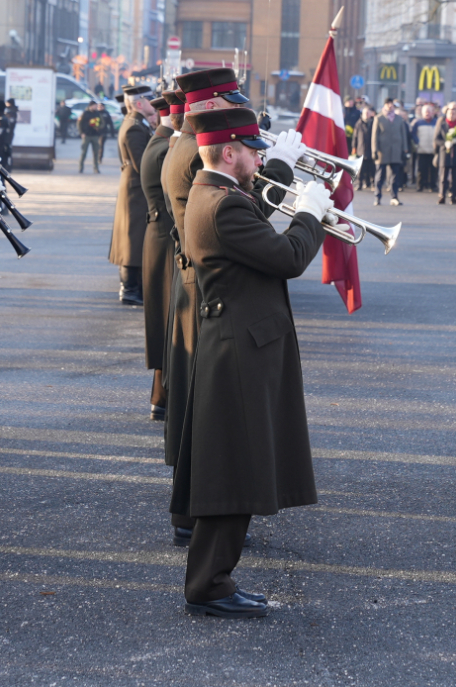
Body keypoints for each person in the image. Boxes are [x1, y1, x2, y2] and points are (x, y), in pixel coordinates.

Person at [171, 106, 328, 618]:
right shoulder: (222, 205)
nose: (259, 159)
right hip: (238, 349)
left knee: (234, 467)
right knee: (232, 471)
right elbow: (288, 258)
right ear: (228, 152)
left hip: (238, 343)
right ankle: (208, 585)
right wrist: (311, 215)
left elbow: (257, 230)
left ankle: (212, 580)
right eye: (253, 152)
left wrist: (290, 189)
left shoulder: (217, 194)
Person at [160, 69, 301, 550]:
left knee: (206, 422)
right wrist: (281, 172)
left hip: (206, 285)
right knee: (212, 426)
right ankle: (200, 524)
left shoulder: (191, 150)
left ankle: (196, 518)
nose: (236, 107)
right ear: (210, 107)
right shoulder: (194, 156)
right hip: (212, 291)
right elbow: (246, 217)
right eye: (228, 101)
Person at [139, 90, 181, 420]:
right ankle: (164, 397)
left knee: (165, 322)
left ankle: (161, 398)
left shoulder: (159, 141)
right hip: (166, 241)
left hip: (159, 237)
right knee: (169, 323)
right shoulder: (167, 148)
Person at [110, 85, 157, 306]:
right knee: (132, 241)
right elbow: (142, 165)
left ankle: (133, 288)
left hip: (135, 190)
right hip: (135, 191)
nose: (153, 103)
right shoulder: (134, 127)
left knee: (134, 239)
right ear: (139, 103)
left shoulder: (137, 123)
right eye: (150, 100)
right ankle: (129, 289)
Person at [371, 97, 409, 206]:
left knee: (395, 176)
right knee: (380, 176)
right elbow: (374, 136)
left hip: (396, 151)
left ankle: (394, 197)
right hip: (382, 151)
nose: (390, 105)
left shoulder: (399, 119)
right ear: (385, 105)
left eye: (391, 103)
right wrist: (374, 150)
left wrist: (405, 148)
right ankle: (377, 197)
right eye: (388, 103)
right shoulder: (379, 118)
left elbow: (403, 134)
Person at [435, 103, 456, 205]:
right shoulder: (442, 124)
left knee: (455, 177)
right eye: (449, 113)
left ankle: (453, 196)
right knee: (443, 176)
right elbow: (436, 139)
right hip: (444, 153)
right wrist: (445, 143)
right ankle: (442, 195)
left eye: (453, 114)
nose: (451, 115)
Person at [410, 103, 439, 192]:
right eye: (426, 112)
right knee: (421, 169)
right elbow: (413, 134)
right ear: (422, 113)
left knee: (433, 169)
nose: (427, 113)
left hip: (433, 150)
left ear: (432, 112)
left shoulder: (436, 122)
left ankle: (432, 186)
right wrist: (417, 142)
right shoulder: (418, 122)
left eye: (429, 111)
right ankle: (420, 185)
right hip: (421, 149)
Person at [77, 100, 110, 172]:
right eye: (95, 106)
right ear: (91, 106)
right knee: (84, 152)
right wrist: (81, 133)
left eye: (96, 106)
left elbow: (102, 123)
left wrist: (99, 127)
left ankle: (96, 168)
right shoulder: (85, 113)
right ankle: (81, 167)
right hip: (86, 135)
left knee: (96, 153)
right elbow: (79, 123)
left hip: (95, 135)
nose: (96, 107)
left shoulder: (97, 114)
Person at [351, 102, 377, 192]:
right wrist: (354, 147)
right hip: (361, 149)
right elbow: (355, 137)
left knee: (372, 168)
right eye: (365, 113)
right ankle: (359, 184)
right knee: (361, 169)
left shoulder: (373, 123)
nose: (366, 114)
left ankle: (372, 184)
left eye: (368, 113)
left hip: (371, 149)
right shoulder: (358, 124)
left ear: (370, 114)